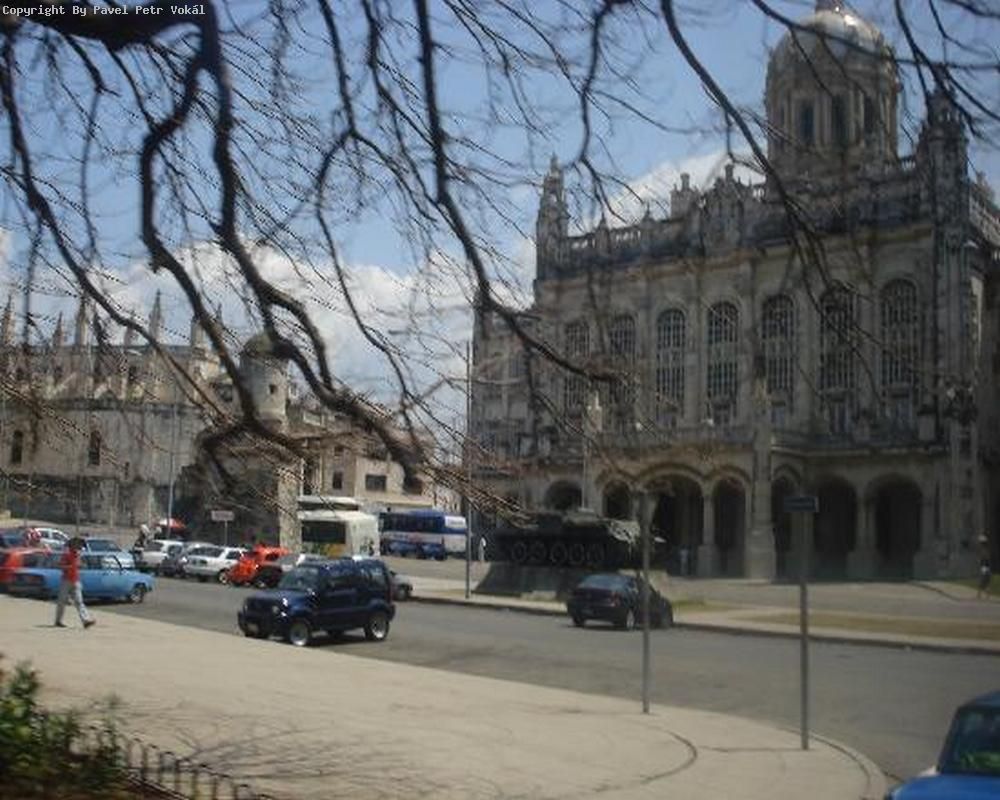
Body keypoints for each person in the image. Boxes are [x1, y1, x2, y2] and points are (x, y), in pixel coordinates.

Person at [55, 538, 95, 629]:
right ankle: (58, 621)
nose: (80, 546)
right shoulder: (67, 554)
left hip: (76, 580)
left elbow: (79, 565)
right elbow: (60, 566)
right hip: (66, 580)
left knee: (79, 601)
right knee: (62, 601)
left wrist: (80, 566)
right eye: (78, 544)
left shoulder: (78, 555)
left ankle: (86, 620)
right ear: (73, 545)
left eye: (80, 545)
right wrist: (70, 567)